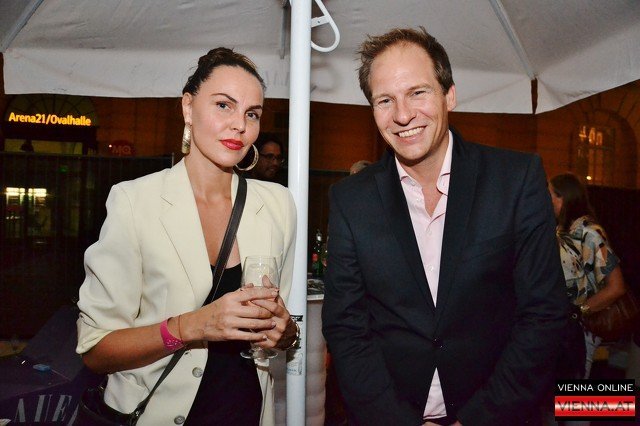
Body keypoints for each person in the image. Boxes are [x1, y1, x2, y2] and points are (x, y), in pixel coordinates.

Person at [321, 27, 568, 425]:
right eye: (385, 100)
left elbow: (544, 314)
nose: (403, 115)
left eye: (417, 92)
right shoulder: (351, 200)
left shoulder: (515, 179)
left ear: (449, 95)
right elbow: (346, 327)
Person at [76, 47, 298, 426]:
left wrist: (286, 333)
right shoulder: (135, 201)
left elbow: (284, 322)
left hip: (246, 414)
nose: (239, 125)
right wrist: (193, 326)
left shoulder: (278, 205)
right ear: (188, 107)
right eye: (224, 105)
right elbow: (96, 350)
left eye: (252, 114)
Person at [549, 173, 627, 378]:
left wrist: (579, 312)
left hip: (580, 331)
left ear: (565, 197)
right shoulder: (559, 231)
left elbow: (616, 287)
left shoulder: (589, 233)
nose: (546, 200)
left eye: (551, 195)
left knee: (572, 389)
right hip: (558, 326)